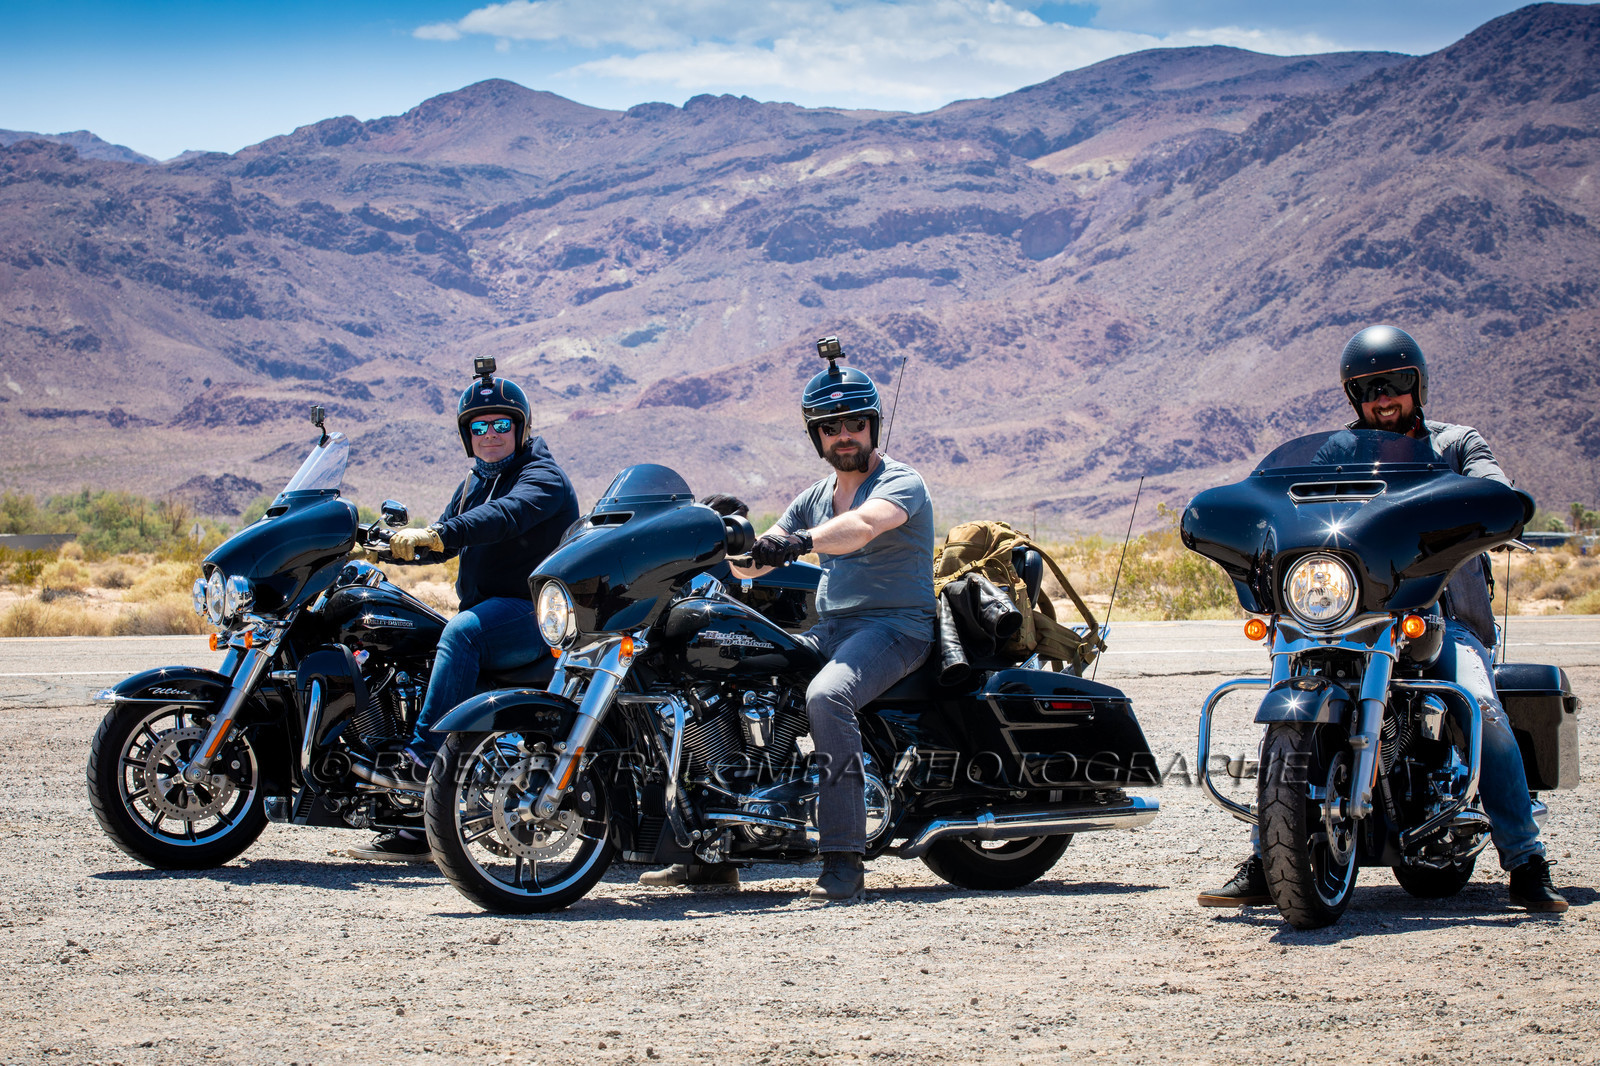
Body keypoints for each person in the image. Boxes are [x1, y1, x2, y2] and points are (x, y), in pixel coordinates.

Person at [1198, 324, 1567, 913]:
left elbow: (1494, 488)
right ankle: (1271, 857)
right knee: (1284, 703)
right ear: (1354, 397)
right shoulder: (1336, 455)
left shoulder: (1456, 445)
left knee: (1483, 708)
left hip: (1439, 617)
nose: (1383, 398)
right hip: (1346, 615)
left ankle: (1526, 860)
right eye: (1369, 389)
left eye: (1395, 383)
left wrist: (1498, 506)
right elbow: (1295, 510)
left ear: (1417, 385)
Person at [639, 338, 936, 900]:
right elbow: (753, 563)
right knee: (719, 679)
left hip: (896, 627)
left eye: (854, 423)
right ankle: (715, 850)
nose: (843, 435)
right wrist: (723, 538)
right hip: (831, 629)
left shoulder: (900, 482)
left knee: (828, 697)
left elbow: (863, 527)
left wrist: (799, 543)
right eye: (830, 427)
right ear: (816, 436)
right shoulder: (814, 497)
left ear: (872, 426)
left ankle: (844, 857)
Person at [349, 360, 581, 861]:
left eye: (500, 424)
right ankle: (422, 822)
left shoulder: (542, 477)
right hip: (493, 611)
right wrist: (381, 548)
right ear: (466, 436)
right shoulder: (475, 481)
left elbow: (503, 517)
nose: (490, 434)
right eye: (478, 427)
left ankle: (422, 760)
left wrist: (439, 533)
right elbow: (443, 540)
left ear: (521, 428)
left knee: (462, 632)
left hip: (536, 616)